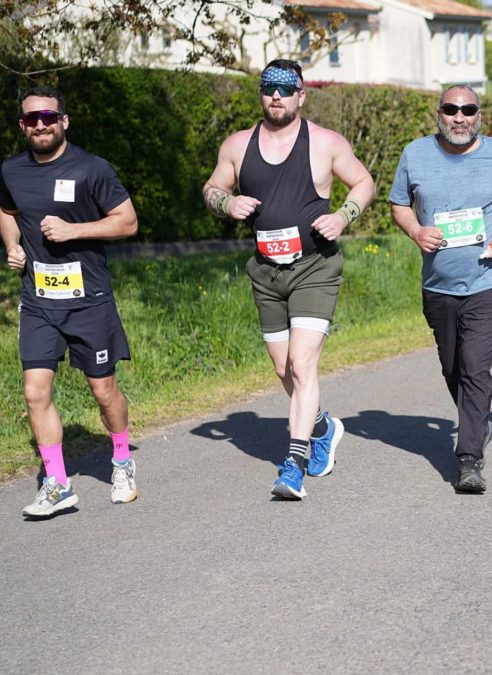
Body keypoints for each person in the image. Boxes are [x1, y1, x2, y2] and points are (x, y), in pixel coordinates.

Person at [203, 59, 375, 500]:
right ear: (261, 93)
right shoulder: (238, 145)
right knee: (284, 369)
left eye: (285, 88)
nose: (276, 95)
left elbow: (363, 183)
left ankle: (293, 465)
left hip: (314, 267)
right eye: (268, 87)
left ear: (302, 95)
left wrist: (343, 215)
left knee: (302, 364)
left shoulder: (324, 142)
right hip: (265, 271)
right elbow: (212, 188)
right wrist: (227, 204)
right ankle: (323, 426)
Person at [0, 86, 139, 517]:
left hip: (88, 300)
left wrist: (73, 231)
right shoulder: (11, 170)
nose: (39, 125)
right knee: (34, 391)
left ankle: (121, 460)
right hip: (39, 299)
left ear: (64, 121)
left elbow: (128, 222)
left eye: (47, 117)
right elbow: (7, 212)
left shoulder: (91, 168)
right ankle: (57, 484)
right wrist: (12, 245)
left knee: (103, 390)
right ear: (22, 126)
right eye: (30, 119)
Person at [390, 84, 492, 494]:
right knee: (452, 366)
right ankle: (479, 421)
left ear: (479, 114)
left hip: (490, 278)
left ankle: (469, 458)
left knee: (474, 364)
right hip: (438, 284)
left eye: (468, 109)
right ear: (439, 113)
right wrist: (416, 230)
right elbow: (399, 203)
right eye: (451, 109)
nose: (459, 117)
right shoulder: (415, 153)